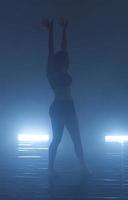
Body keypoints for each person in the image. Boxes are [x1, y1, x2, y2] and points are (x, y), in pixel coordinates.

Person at [42, 18, 90, 178]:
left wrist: (64, 30)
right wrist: (50, 32)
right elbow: (51, 50)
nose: (65, 62)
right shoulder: (52, 72)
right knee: (57, 139)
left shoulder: (63, 67)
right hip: (58, 107)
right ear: (57, 62)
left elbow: (64, 48)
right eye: (62, 60)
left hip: (69, 106)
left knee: (77, 138)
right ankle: (50, 168)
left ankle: (83, 167)